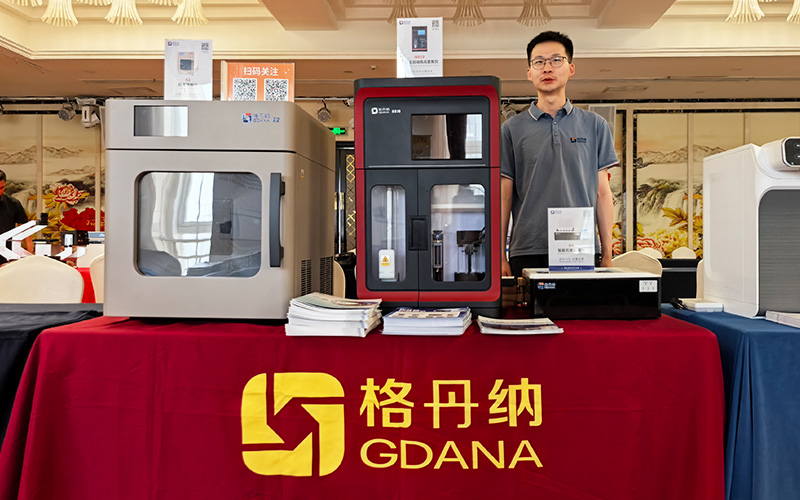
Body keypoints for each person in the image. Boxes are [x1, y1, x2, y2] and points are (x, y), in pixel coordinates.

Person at [501, 31, 617, 277]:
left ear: (571, 68)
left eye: (556, 60)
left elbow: (602, 192)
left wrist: (607, 254)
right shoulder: (511, 129)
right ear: (529, 72)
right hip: (528, 247)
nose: (547, 68)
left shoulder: (595, 125)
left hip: (581, 247)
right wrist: (501, 256)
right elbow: (504, 196)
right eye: (539, 62)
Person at [0, 169, 33, 264]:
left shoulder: (13, 204)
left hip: (6, 255)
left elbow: (25, 228)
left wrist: (31, 253)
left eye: (2, 188)